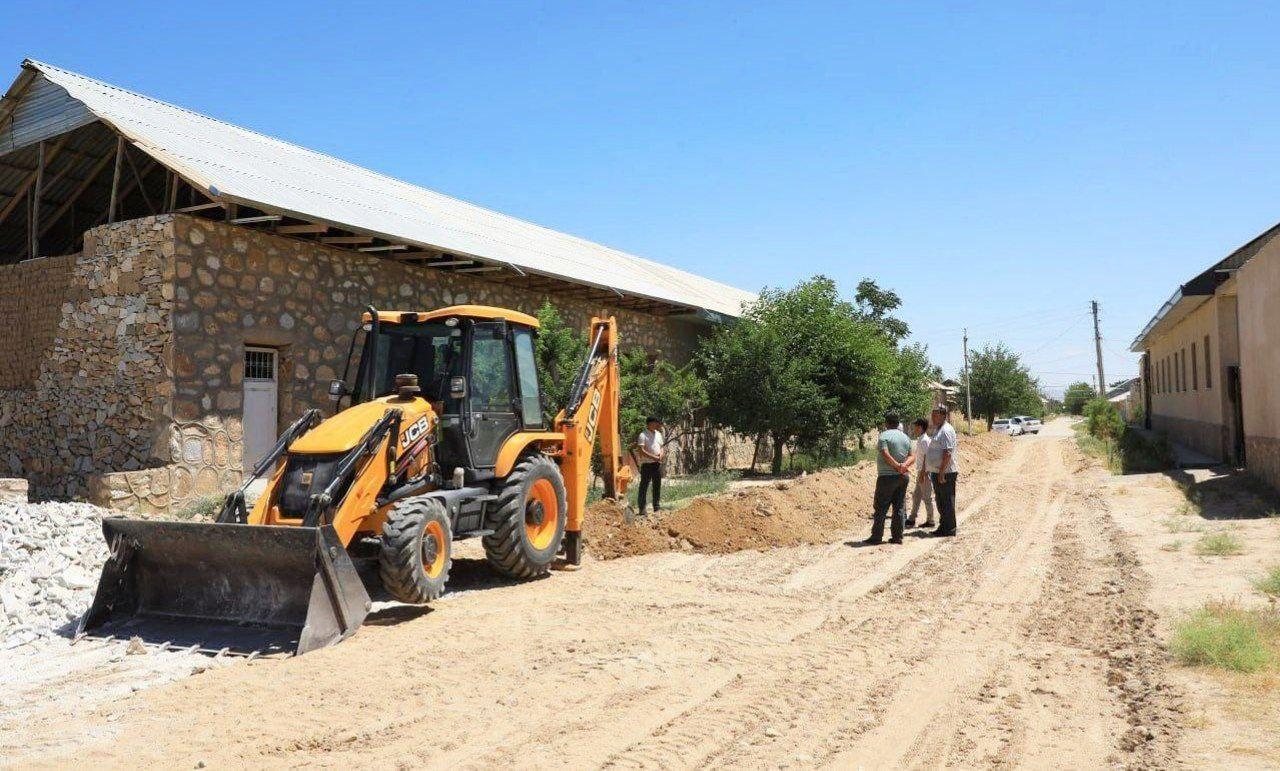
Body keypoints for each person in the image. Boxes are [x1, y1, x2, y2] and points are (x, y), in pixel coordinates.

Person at [862, 412, 914, 545]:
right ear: (898, 423)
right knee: (899, 507)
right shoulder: (906, 437)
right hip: (903, 476)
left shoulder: (883, 436)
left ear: (886, 423)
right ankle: (897, 537)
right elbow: (912, 456)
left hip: (886, 477)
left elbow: (884, 453)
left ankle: (877, 536)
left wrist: (897, 466)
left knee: (881, 507)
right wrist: (903, 466)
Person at [926, 405, 959, 537]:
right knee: (940, 501)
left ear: (943, 415)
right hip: (938, 471)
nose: (933, 418)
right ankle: (943, 526)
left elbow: (948, 453)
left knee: (947, 501)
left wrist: (941, 472)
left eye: (936, 415)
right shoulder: (937, 429)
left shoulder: (945, 430)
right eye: (932, 415)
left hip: (946, 472)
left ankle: (950, 528)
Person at [906, 417, 935, 529]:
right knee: (916, 496)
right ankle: (912, 519)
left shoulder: (925, 441)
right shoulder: (921, 440)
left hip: (925, 473)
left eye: (916, 427)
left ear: (921, 427)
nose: (914, 429)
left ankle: (930, 520)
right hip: (921, 472)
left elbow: (928, 458)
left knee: (927, 497)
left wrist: (923, 473)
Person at [635, 417, 664, 516]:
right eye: (655, 423)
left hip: (657, 464)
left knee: (657, 485)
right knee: (644, 486)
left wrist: (660, 454)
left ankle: (656, 507)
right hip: (647, 464)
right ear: (649, 424)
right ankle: (642, 509)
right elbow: (641, 450)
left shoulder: (658, 434)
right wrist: (653, 457)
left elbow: (661, 447)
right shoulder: (643, 435)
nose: (657, 425)